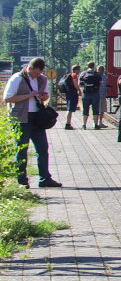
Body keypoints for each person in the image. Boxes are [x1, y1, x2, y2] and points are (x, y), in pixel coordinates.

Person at [4, 58, 61, 188]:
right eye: (35, 73)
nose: (37, 76)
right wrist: (29, 95)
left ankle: (45, 178)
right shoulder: (17, 79)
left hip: (37, 118)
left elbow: (45, 95)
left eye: (39, 73)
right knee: (22, 149)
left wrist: (44, 97)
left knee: (42, 148)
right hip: (21, 118)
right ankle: (22, 181)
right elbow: (7, 98)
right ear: (29, 68)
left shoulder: (42, 79)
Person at [78, 61, 106, 129]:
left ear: (87, 66)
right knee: (95, 108)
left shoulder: (83, 73)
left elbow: (79, 84)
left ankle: (84, 125)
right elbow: (101, 84)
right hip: (95, 93)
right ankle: (95, 125)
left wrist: (83, 89)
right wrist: (96, 89)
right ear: (93, 66)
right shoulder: (97, 74)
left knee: (85, 109)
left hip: (86, 93)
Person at [62, 64, 81, 129]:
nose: (79, 71)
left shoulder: (69, 75)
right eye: (79, 69)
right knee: (69, 109)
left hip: (68, 93)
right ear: (76, 70)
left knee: (68, 108)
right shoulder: (74, 75)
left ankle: (68, 123)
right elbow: (75, 84)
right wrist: (79, 90)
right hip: (72, 93)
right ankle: (67, 124)